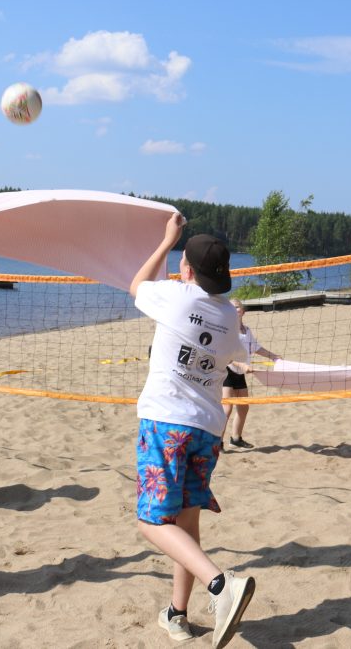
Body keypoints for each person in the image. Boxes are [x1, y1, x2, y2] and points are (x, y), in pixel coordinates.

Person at [129, 213, 256, 649]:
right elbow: (238, 353)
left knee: (151, 521)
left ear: (186, 270)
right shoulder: (229, 318)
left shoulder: (177, 298)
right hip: (207, 429)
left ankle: (221, 585)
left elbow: (137, 285)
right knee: (186, 523)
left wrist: (166, 240)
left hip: (167, 422)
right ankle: (177, 614)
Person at [221, 298, 281, 449]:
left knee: (243, 407)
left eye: (237, 307)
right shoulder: (227, 330)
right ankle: (217, 443)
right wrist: (242, 365)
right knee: (227, 408)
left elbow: (256, 348)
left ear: (243, 311)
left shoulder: (246, 330)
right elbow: (225, 356)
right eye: (231, 307)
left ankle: (236, 438)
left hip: (240, 372)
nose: (235, 310)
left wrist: (273, 356)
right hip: (227, 371)